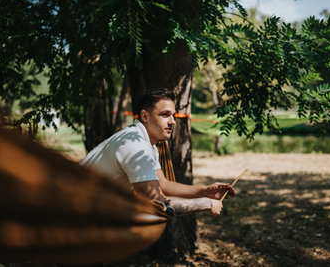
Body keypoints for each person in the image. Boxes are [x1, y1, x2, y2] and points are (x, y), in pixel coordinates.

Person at [81, 88, 236, 216]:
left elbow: (164, 185)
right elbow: (159, 203)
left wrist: (205, 191)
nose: (172, 121)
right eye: (165, 115)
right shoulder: (136, 146)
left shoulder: (145, 141)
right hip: (72, 213)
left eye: (173, 115)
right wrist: (206, 203)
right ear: (145, 116)